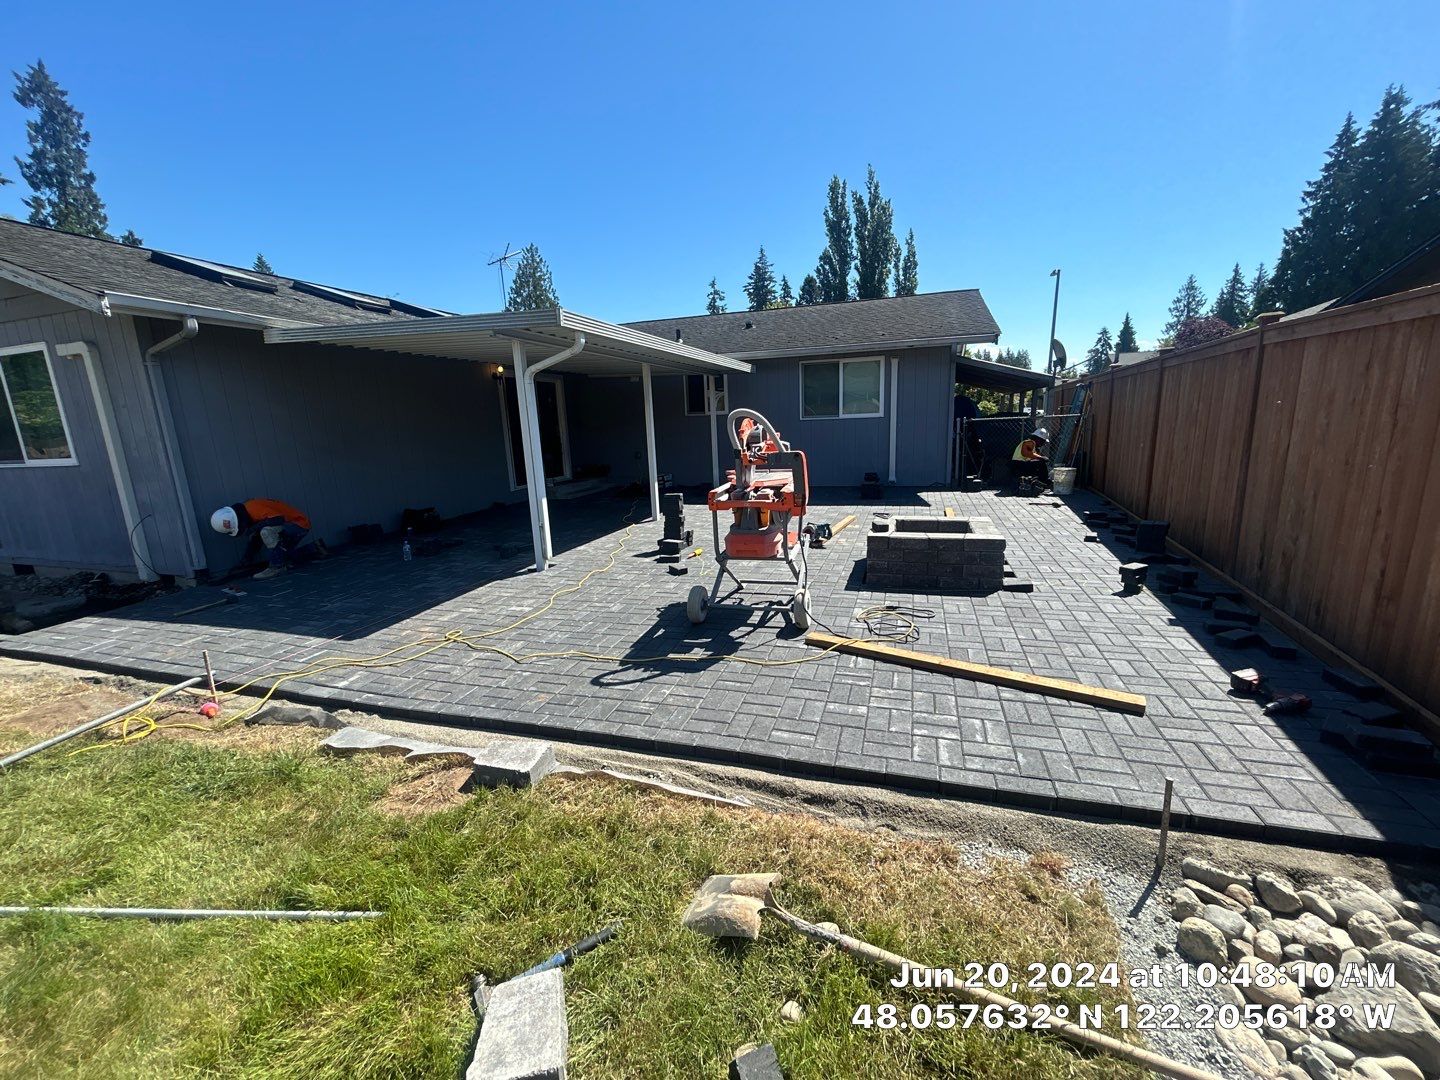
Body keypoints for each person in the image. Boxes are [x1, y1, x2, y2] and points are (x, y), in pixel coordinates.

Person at [210, 498, 320, 579]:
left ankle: (277, 567)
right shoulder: (247, 511)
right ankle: (315, 548)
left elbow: (278, 519)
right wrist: (246, 560)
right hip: (289, 526)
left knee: (266, 532)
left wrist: (254, 529)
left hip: (298, 525)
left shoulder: (253, 508)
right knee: (285, 554)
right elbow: (255, 538)